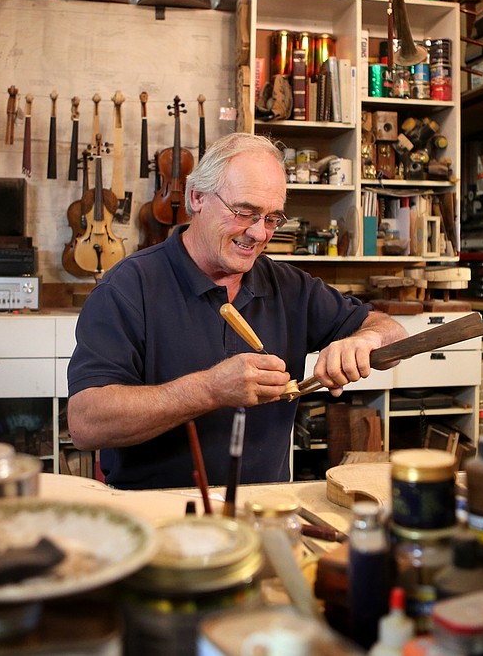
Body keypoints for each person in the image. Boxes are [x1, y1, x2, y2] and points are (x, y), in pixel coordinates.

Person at [67, 133, 406, 490]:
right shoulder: (129, 287)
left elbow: (393, 333)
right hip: (155, 515)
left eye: (273, 219)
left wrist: (365, 339)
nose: (259, 233)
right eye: (245, 212)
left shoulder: (288, 286)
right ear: (197, 197)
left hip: (263, 508)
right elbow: (85, 423)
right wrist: (209, 390)